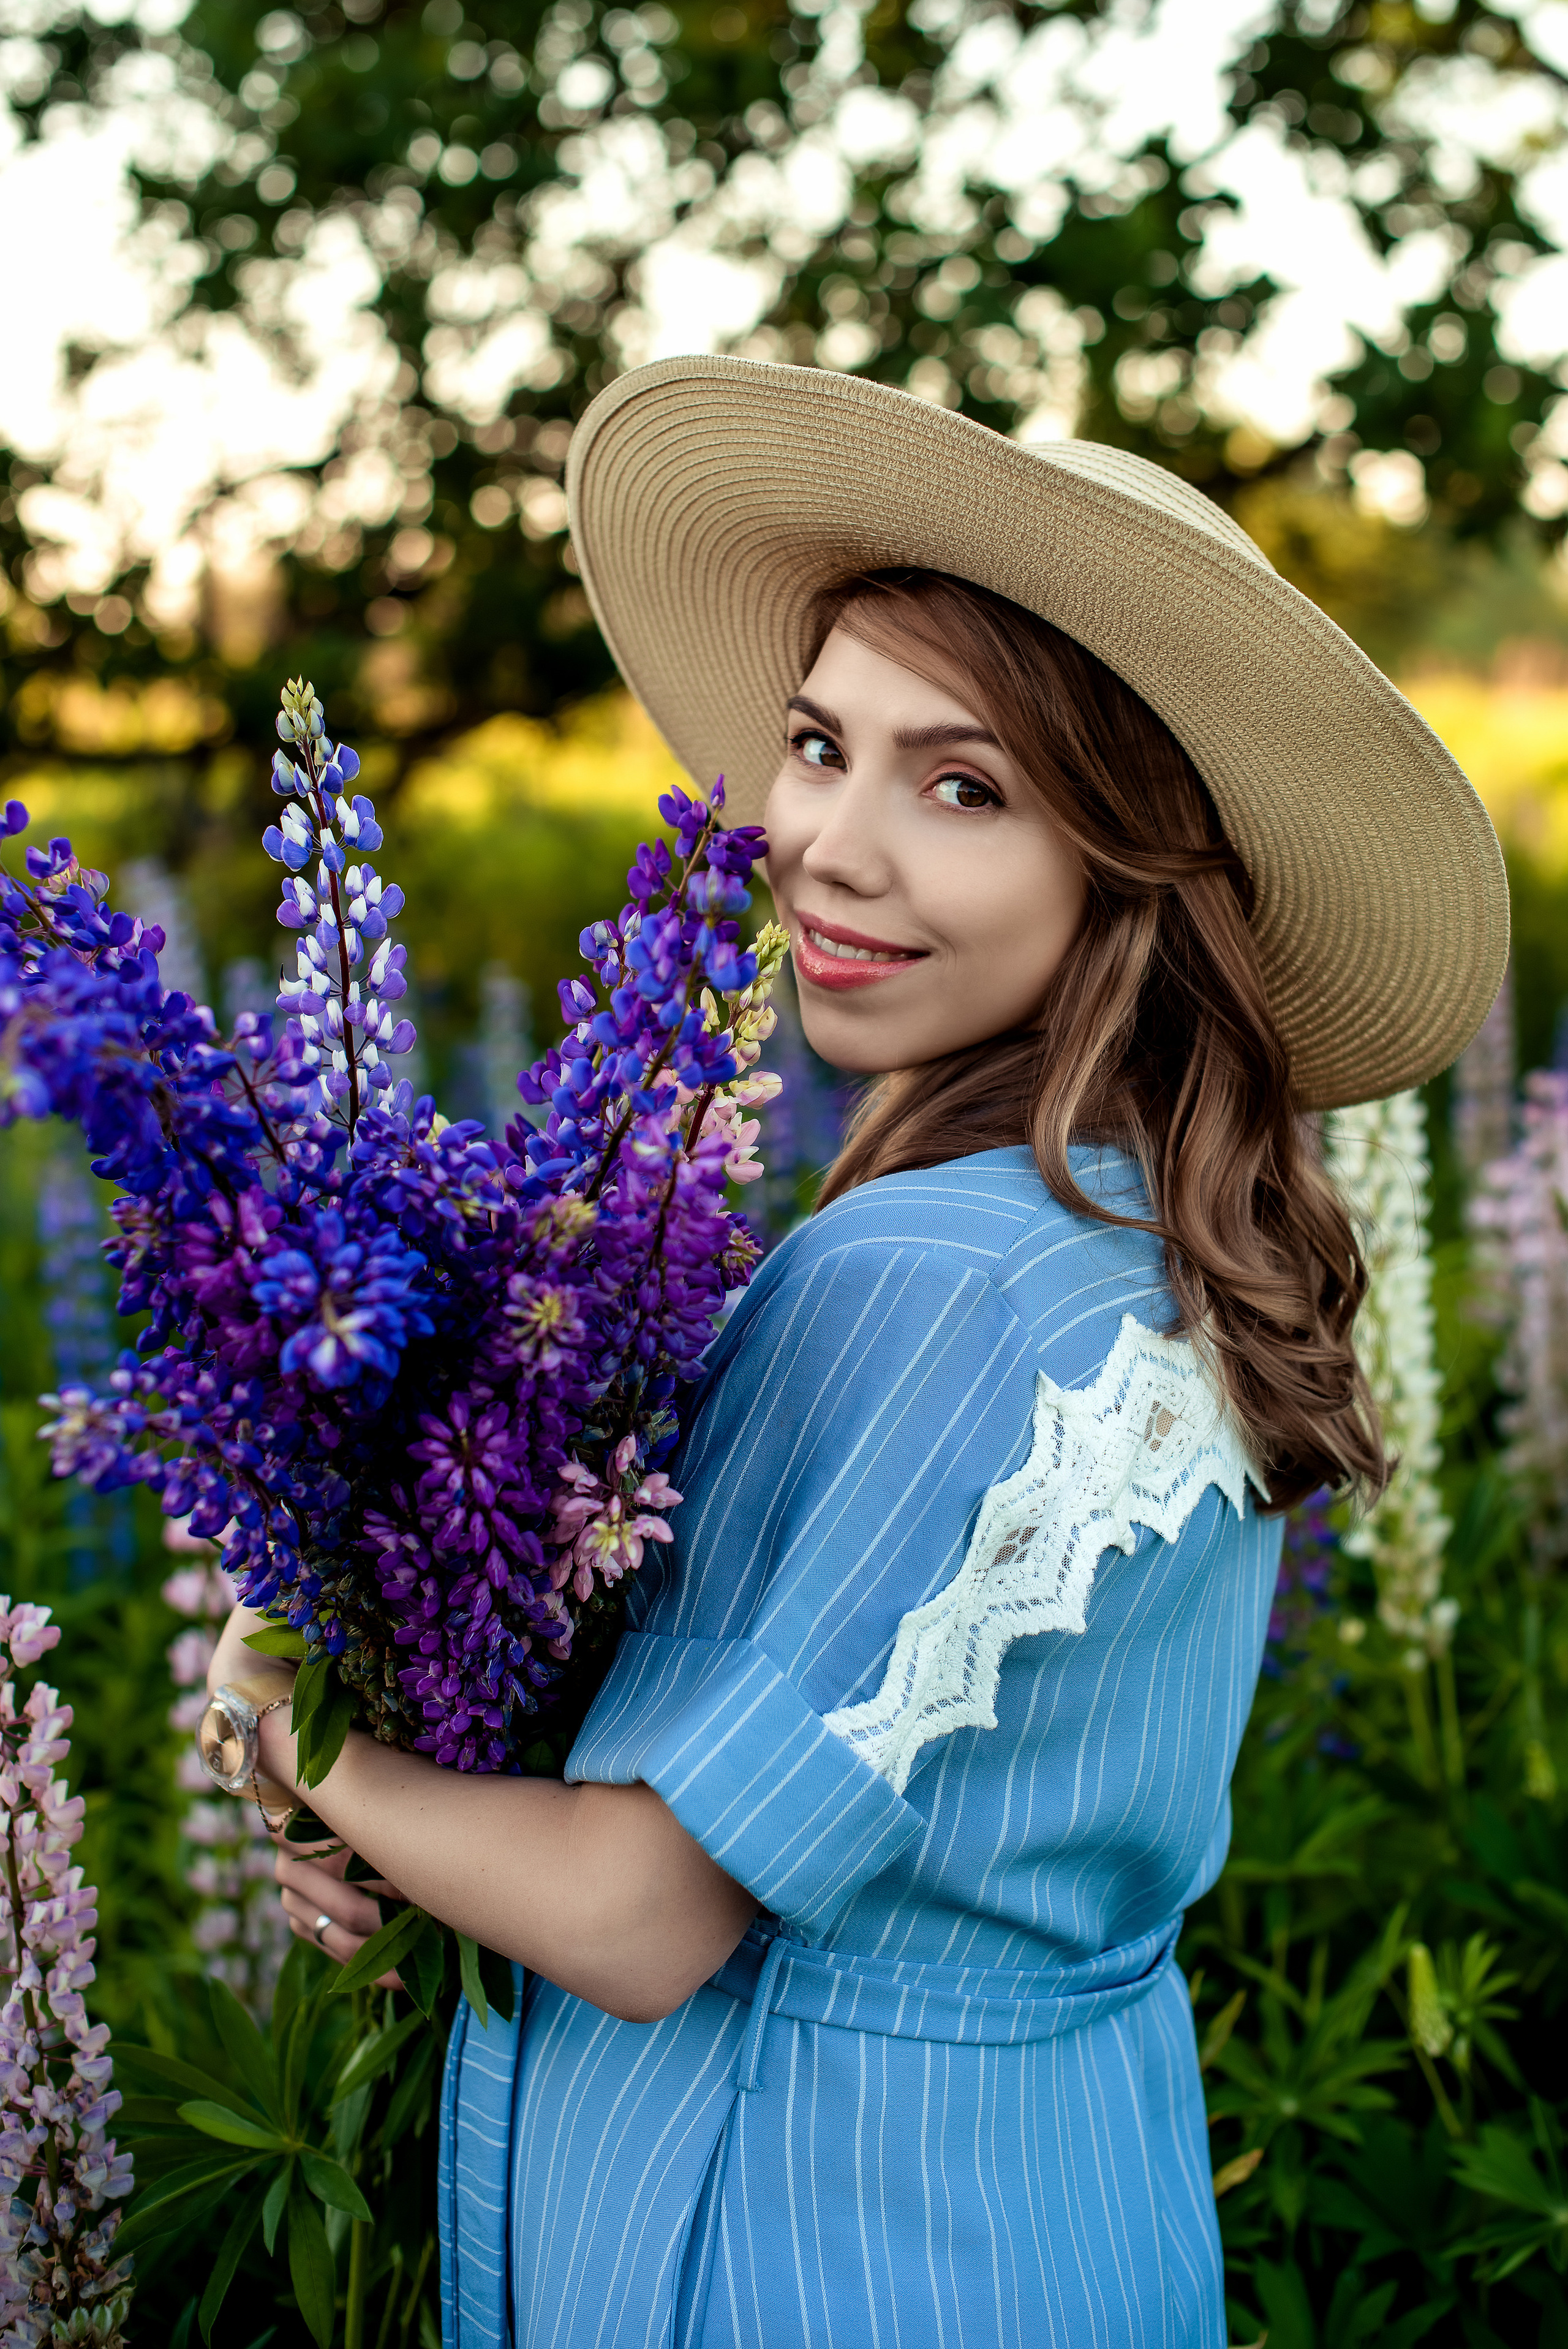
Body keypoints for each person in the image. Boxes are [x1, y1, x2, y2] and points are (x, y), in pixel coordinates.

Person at [205, 356, 1507, 2349]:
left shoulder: (937, 1275)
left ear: (1130, 869)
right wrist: (429, 1808)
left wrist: (300, 1719)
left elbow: (643, 1914)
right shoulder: (1147, 1249)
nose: (825, 844)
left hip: (810, 2236)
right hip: (1060, 2213)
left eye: (964, 785)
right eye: (821, 743)